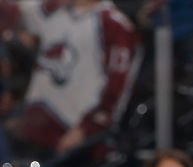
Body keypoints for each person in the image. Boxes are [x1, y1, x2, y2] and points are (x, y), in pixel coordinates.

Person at [8, 0, 139, 156]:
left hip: (72, 128)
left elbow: (118, 85)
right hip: (33, 123)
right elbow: (16, 11)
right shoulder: (52, 11)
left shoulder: (113, 24)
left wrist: (88, 127)